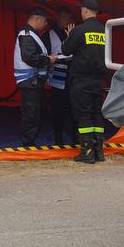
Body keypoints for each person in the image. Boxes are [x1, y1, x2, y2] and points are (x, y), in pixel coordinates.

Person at [61, 0, 108, 164]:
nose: (80, 12)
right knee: (97, 114)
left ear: (86, 11)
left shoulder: (79, 31)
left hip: (81, 80)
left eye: (81, 9)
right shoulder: (105, 31)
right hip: (99, 81)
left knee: (84, 116)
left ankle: (87, 153)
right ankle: (99, 152)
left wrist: (68, 37)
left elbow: (65, 50)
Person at [14, 8, 58, 147]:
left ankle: (30, 141)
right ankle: (27, 144)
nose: (45, 25)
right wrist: (48, 60)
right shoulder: (27, 35)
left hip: (33, 82)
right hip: (30, 82)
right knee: (31, 114)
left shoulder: (32, 34)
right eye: (45, 21)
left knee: (36, 112)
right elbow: (29, 57)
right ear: (37, 19)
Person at [45, 8, 77, 145]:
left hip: (73, 77)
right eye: (64, 16)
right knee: (58, 110)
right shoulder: (48, 35)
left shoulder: (75, 33)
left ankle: (75, 138)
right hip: (58, 77)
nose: (67, 20)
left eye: (69, 17)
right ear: (58, 17)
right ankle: (58, 138)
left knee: (73, 109)